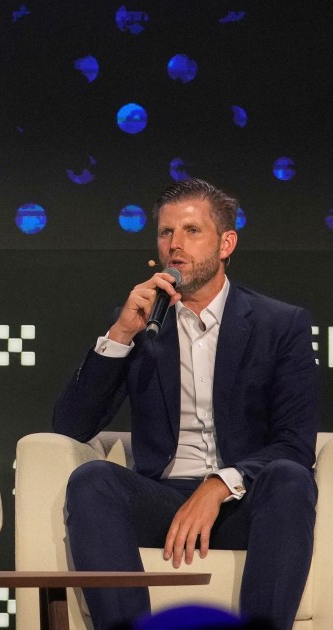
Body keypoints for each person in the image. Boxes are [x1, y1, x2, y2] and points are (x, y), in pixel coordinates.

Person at [53, 179, 319, 629]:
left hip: (246, 502)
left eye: (192, 231)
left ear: (226, 244)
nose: (175, 245)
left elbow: (294, 443)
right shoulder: (143, 321)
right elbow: (71, 425)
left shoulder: (280, 324)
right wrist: (121, 334)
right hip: (164, 499)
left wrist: (218, 486)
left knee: (291, 480)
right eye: (166, 232)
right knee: (92, 481)